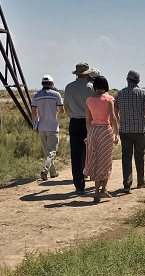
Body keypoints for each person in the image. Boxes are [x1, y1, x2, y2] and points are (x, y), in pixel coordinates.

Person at [114, 69, 145, 193]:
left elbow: (115, 112)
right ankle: (140, 181)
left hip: (125, 130)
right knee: (140, 155)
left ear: (127, 80)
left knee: (126, 156)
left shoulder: (120, 93)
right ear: (138, 81)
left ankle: (127, 183)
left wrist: (121, 123)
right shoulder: (143, 93)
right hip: (139, 130)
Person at [84, 76, 119, 203]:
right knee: (106, 160)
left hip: (93, 131)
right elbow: (113, 118)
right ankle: (104, 189)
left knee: (95, 159)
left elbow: (88, 121)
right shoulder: (109, 99)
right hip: (105, 131)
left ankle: (96, 192)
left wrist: (89, 134)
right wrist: (117, 133)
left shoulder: (89, 100)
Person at [63, 62, 93, 194]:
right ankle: (91, 174)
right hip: (89, 122)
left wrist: (72, 116)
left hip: (75, 121)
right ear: (87, 74)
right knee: (90, 151)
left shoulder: (69, 87)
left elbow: (66, 107)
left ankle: (79, 185)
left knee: (75, 154)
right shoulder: (91, 88)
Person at [31, 74, 63, 181]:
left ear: (42, 84)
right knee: (52, 151)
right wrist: (56, 116)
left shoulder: (36, 95)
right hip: (52, 127)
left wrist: (34, 125)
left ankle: (53, 173)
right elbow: (61, 109)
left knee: (47, 151)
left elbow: (34, 112)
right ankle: (45, 169)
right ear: (52, 84)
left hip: (41, 126)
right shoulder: (56, 94)